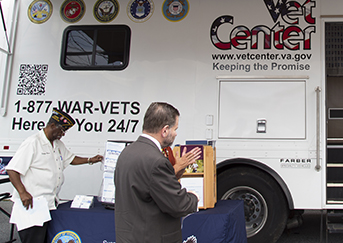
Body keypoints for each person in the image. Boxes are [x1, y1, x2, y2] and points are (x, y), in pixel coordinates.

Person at [6, 108, 103, 243]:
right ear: (52, 126)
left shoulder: (57, 144)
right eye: (61, 131)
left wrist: (90, 160)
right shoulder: (33, 142)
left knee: (43, 239)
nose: (62, 134)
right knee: (33, 240)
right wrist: (22, 193)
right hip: (32, 204)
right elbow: (12, 170)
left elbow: (70, 159)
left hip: (48, 203)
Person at [114, 102, 200, 243]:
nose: (176, 133)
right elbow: (177, 204)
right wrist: (193, 197)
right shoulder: (157, 161)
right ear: (165, 130)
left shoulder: (126, 152)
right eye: (175, 129)